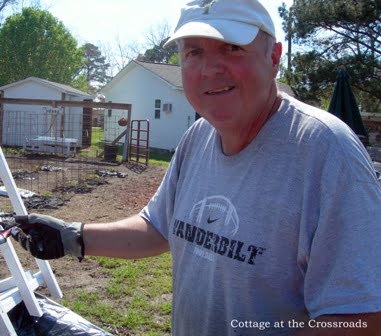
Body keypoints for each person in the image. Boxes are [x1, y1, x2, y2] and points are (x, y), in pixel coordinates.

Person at [13, 0, 381, 335]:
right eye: (194, 52)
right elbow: (158, 228)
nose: (209, 69)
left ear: (274, 58)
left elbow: (360, 319)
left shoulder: (326, 153)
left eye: (231, 47)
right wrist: (73, 236)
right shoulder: (198, 137)